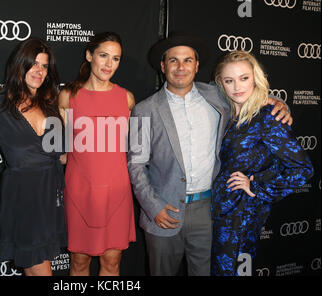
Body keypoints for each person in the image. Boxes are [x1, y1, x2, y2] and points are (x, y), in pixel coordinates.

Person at [127, 31, 292, 276]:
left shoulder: (216, 95)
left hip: (209, 210)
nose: (180, 67)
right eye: (173, 60)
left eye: (187, 60)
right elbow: (136, 164)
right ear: (163, 66)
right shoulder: (144, 110)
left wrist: (280, 103)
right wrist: (153, 207)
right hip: (163, 212)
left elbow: (250, 96)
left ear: (196, 66)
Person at [210, 51, 313, 276]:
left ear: (255, 77)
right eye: (229, 80)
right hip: (220, 215)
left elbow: (303, 169)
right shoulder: (230, 115)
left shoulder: (268, 117)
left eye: (244, 78)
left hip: (242, 219)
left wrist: (255, 186)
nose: (237, 86)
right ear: (221, 84)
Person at [0, 37, 67, 276]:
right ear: (20, 65)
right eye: (33, 64)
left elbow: (62, 155)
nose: (39, 71)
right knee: (39, 265)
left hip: (51, 192)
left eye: (44, 66)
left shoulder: (52, 104)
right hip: (23, 194)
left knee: (36, 265)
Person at [59, 32, 136, 276]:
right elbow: (60, 146)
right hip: (80, 191)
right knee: (79, 264)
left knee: (112, 264)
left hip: (116, 192)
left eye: (115, 58)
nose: (109, 64)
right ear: (89, 55)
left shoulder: (127, 98)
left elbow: (131, 148)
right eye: (103, 56)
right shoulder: (68, 97)